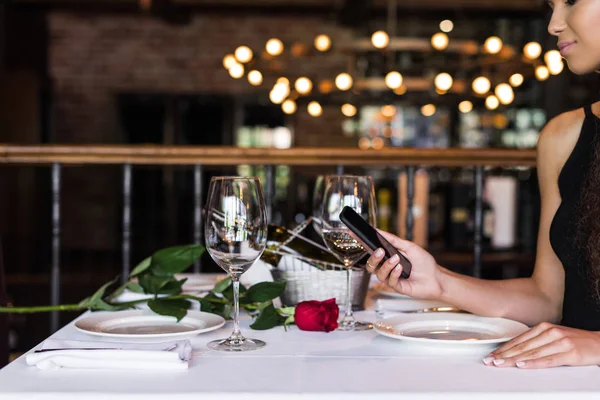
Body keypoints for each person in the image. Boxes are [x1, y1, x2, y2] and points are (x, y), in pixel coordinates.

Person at [366, 0, 600, 369]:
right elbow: (547, 299)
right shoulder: (564, 136)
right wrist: (439, 281)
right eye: (551, 6)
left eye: (571, 1)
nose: (554, 24)